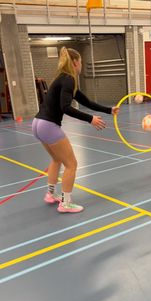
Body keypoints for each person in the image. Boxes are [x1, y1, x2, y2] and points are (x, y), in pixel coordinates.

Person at [32, 47, 119, 213]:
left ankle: (51, 195)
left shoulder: (63, 79)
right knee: (71, 164)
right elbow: (65, 108)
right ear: (75, 62)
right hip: (49, 125)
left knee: (57, 159)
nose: (81, 65)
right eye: (81, 62)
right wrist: (90, 119)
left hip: (38, 123)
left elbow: (86, 101)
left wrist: (109, 110)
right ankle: (66, 203)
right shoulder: (69, 80)